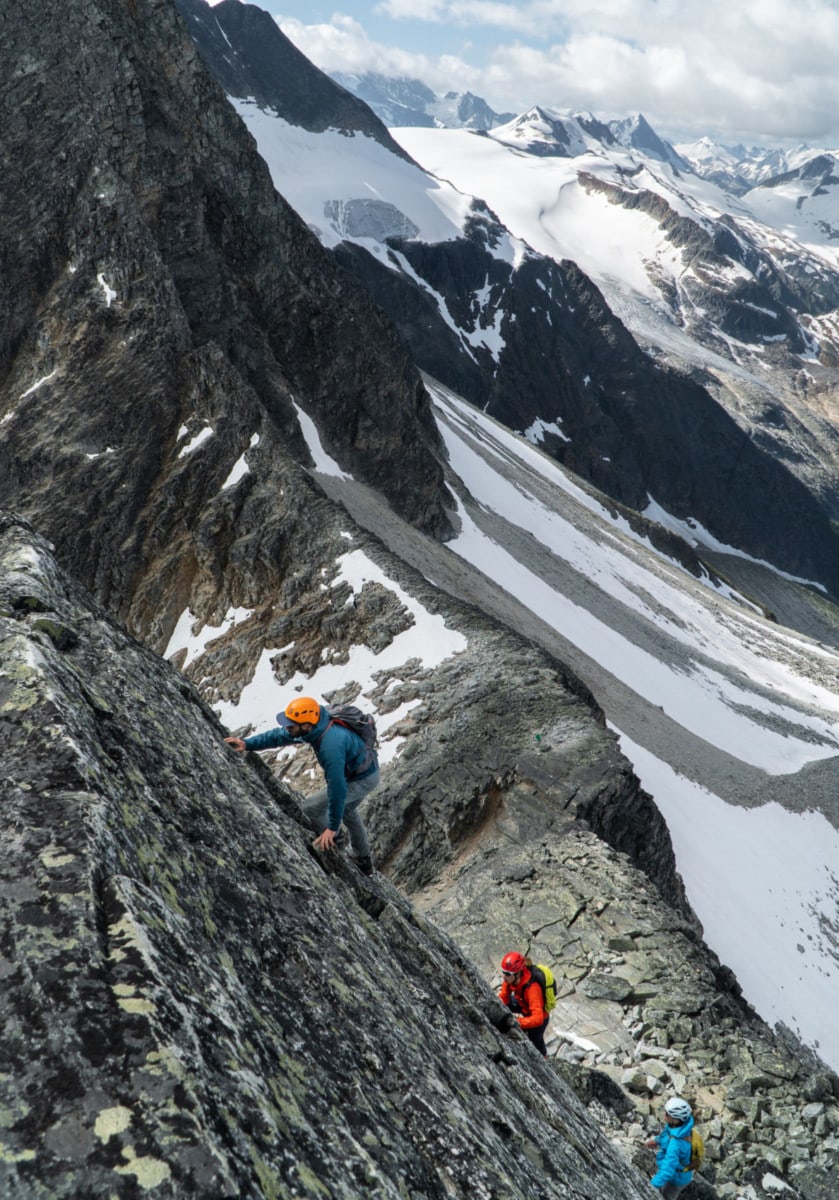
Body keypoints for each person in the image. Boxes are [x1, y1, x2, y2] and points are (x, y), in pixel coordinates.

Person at [225, 696, 379, 875]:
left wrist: (331, 828)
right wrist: (247, 744)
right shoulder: (316, 725)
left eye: (291, 725)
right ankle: (364, 860)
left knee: (311, 808)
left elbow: (337, 788)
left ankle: (336, 839)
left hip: (361, 779)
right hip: (365, 770)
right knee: (348, 811)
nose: (287, 729)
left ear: (306, 725)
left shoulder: (331, 744)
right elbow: (279, 736)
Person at [498, 952, 549, 1056]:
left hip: (540, 1016)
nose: (504, 976)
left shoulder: (532, 988)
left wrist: (518, 1022)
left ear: (517, 973)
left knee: (535, 1038)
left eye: (507, 974)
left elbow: (538, 1018)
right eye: (503, 972)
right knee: (508, 1003)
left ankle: (544, 1059)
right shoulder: (510, 980)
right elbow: (504, 998)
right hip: (523, 1004)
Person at [644, 1096, 695, 1197]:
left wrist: (651, 1186)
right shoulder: (680, 1127)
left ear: (676, 1119)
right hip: (680, 1172)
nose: (664, 1115)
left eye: (667, 1114)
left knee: (667, 1195)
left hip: (677, 1180)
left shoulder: (675, 1145)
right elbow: (666, 1135)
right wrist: (657, 1140)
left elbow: (667, 1169)